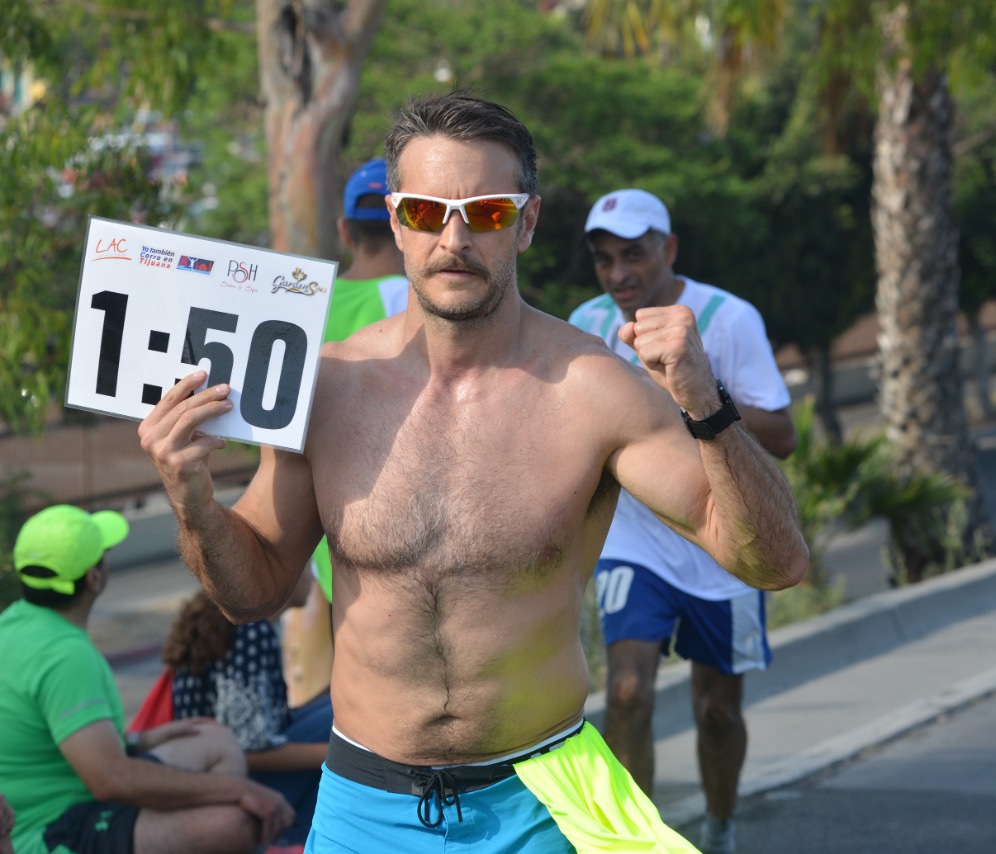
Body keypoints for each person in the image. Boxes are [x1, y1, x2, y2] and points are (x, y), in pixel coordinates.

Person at [138, 91, 808, 852]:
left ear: (525, 223)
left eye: (485, 213)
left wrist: (706, 403)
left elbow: (776, 561)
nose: (453, 238)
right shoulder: (324, 390)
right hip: (365, 806)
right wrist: (192, 502)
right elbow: (251, 593)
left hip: (537, 803)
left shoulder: (595, 390)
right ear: (395, 220)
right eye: (426, 212)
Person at [569, 187, 797, 853]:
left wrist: (694, 390)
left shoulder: (727, 318)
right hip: (632, 541)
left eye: (634, 255)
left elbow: (781, 434)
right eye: (605, 260)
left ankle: (720, 829)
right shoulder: (585, 324)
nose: (620, 274)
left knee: (717, 711)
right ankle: (632, 845)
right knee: (630, 692)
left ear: (668, 249)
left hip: (724, 546)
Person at [0, 504, 294, 854]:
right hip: (54, 830)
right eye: (103, 554)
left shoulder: (13, 624)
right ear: (94, 578)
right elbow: (109, 780)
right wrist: (241, 791)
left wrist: (139, 740)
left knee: (213, 738)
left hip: (61, 802)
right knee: (235, 824)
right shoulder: (64, 654)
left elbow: (52, 740)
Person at [281, 157, 413, 708]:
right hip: (418, 528)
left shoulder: (304, 304)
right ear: (405, 225)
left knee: (353, 708)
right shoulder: (429, 301)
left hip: (329, 534)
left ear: (344, 229)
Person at [163, 572, 332, 847]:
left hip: (215, 771)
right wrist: (341, 754)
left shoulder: (246, 623)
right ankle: (292, 840)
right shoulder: (251, 631)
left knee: (334, 707)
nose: (314, 577)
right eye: (306, 566)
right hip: (231, 782)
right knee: (340, 728)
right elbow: (248, 749)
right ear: (281, 576)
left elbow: (265, 724)